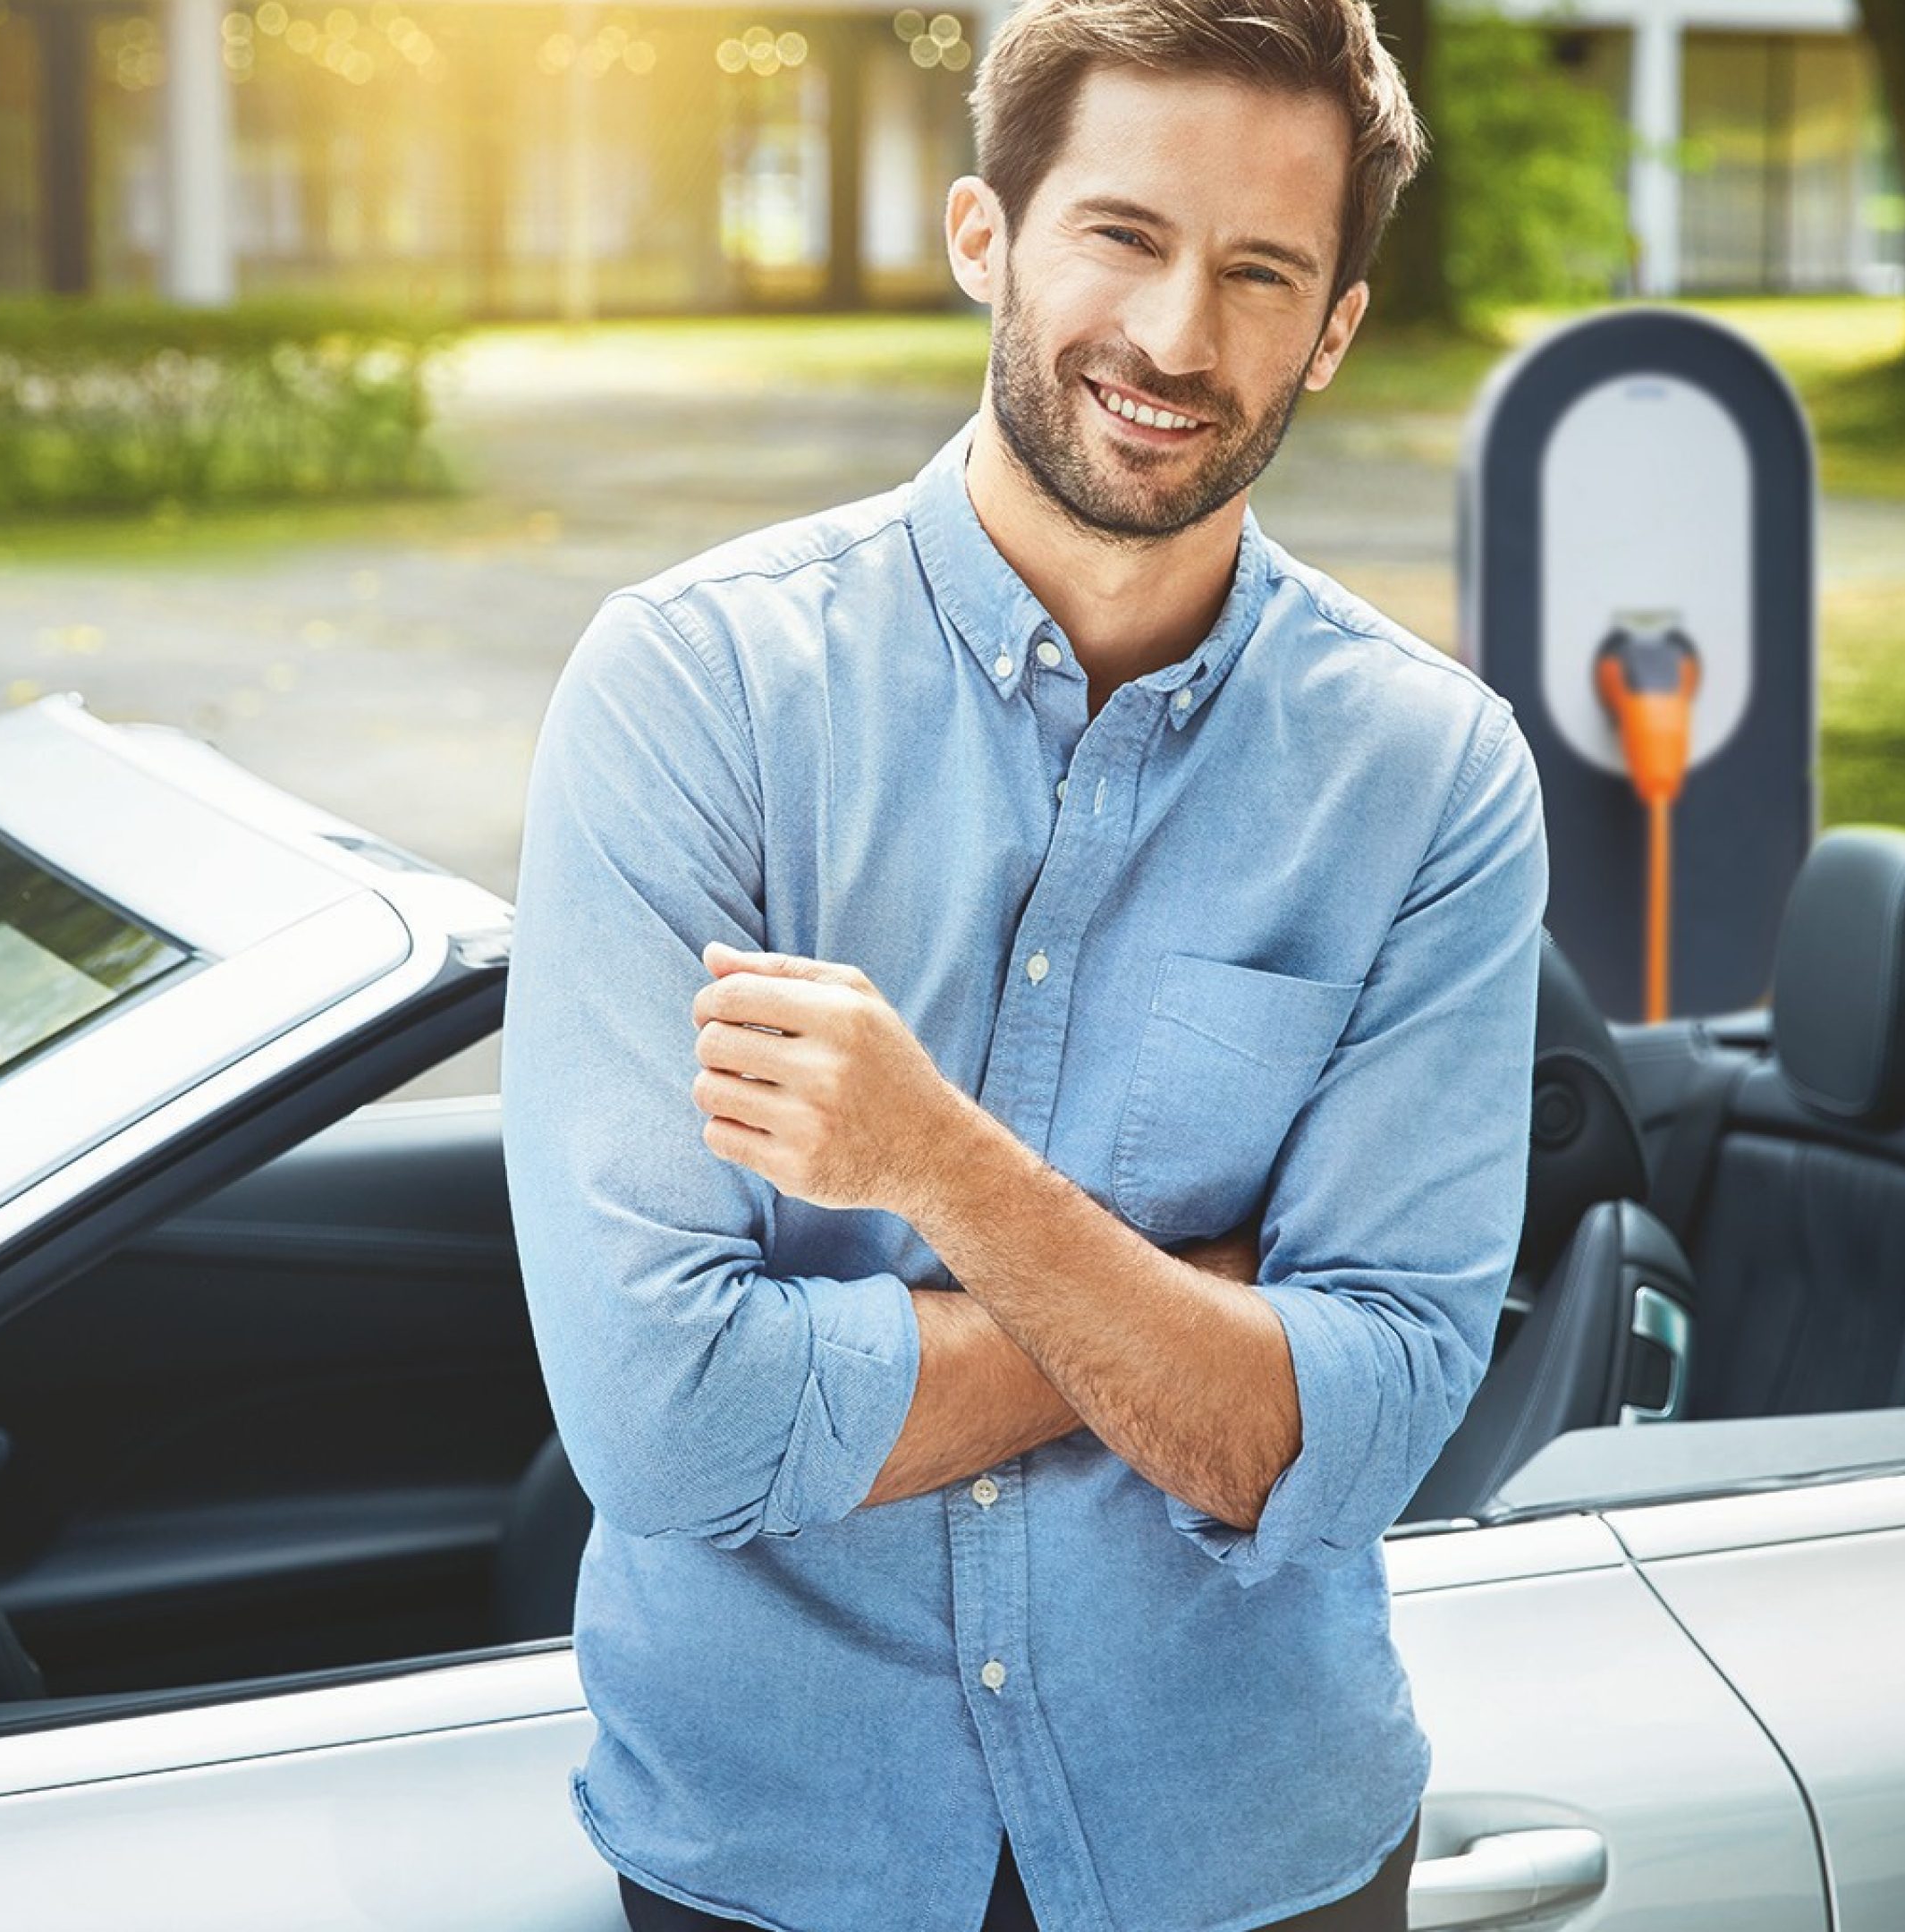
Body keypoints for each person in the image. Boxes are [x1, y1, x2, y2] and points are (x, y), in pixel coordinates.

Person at [497, 0, 1549, 1923]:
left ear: (1335, 327)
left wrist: (933, 1167)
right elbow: (668, 1422)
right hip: (779, 1863)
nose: (1175, 338)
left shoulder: (1431, 779)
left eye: (1259, 272)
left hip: (1259, 1858)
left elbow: (1365, 1426)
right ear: (989, 236)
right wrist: (1195, 1323)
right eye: (1123, 237)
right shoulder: (697, 694)